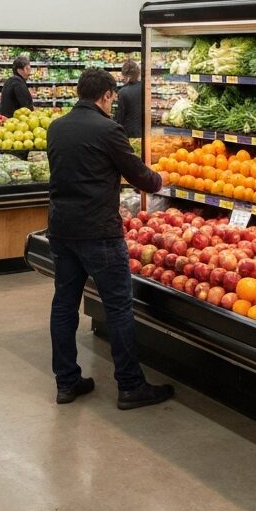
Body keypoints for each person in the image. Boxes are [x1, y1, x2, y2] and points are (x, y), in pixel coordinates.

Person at [46, 67, 171, 408]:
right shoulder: (107, 129)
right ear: (106, 96)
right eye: (112, 98)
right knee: (118, 307)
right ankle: (131, 386)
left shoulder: (56, 127)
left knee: (64, 305)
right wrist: (162, 178)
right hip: (99, 232)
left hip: (61, 228)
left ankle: (67, 382)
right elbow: (140, 176)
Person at [113, 59, 143, 138]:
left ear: (127, 76)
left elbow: (120, 115)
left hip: (128, 132)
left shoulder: (123, 92)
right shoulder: (144, 88)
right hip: (143, 130)